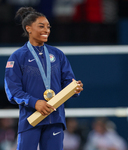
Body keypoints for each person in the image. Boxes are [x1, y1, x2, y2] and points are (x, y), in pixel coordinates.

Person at [4, 7, 83, 150]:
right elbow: (12, 90)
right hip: (31, 118)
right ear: (29, 28)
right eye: (41, 26)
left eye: (48, 26)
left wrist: (74, 89)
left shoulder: (57, 54)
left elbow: (68, 80)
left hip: (55, 118)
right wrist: (34, 103)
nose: (46, 30)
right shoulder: (17, 57)